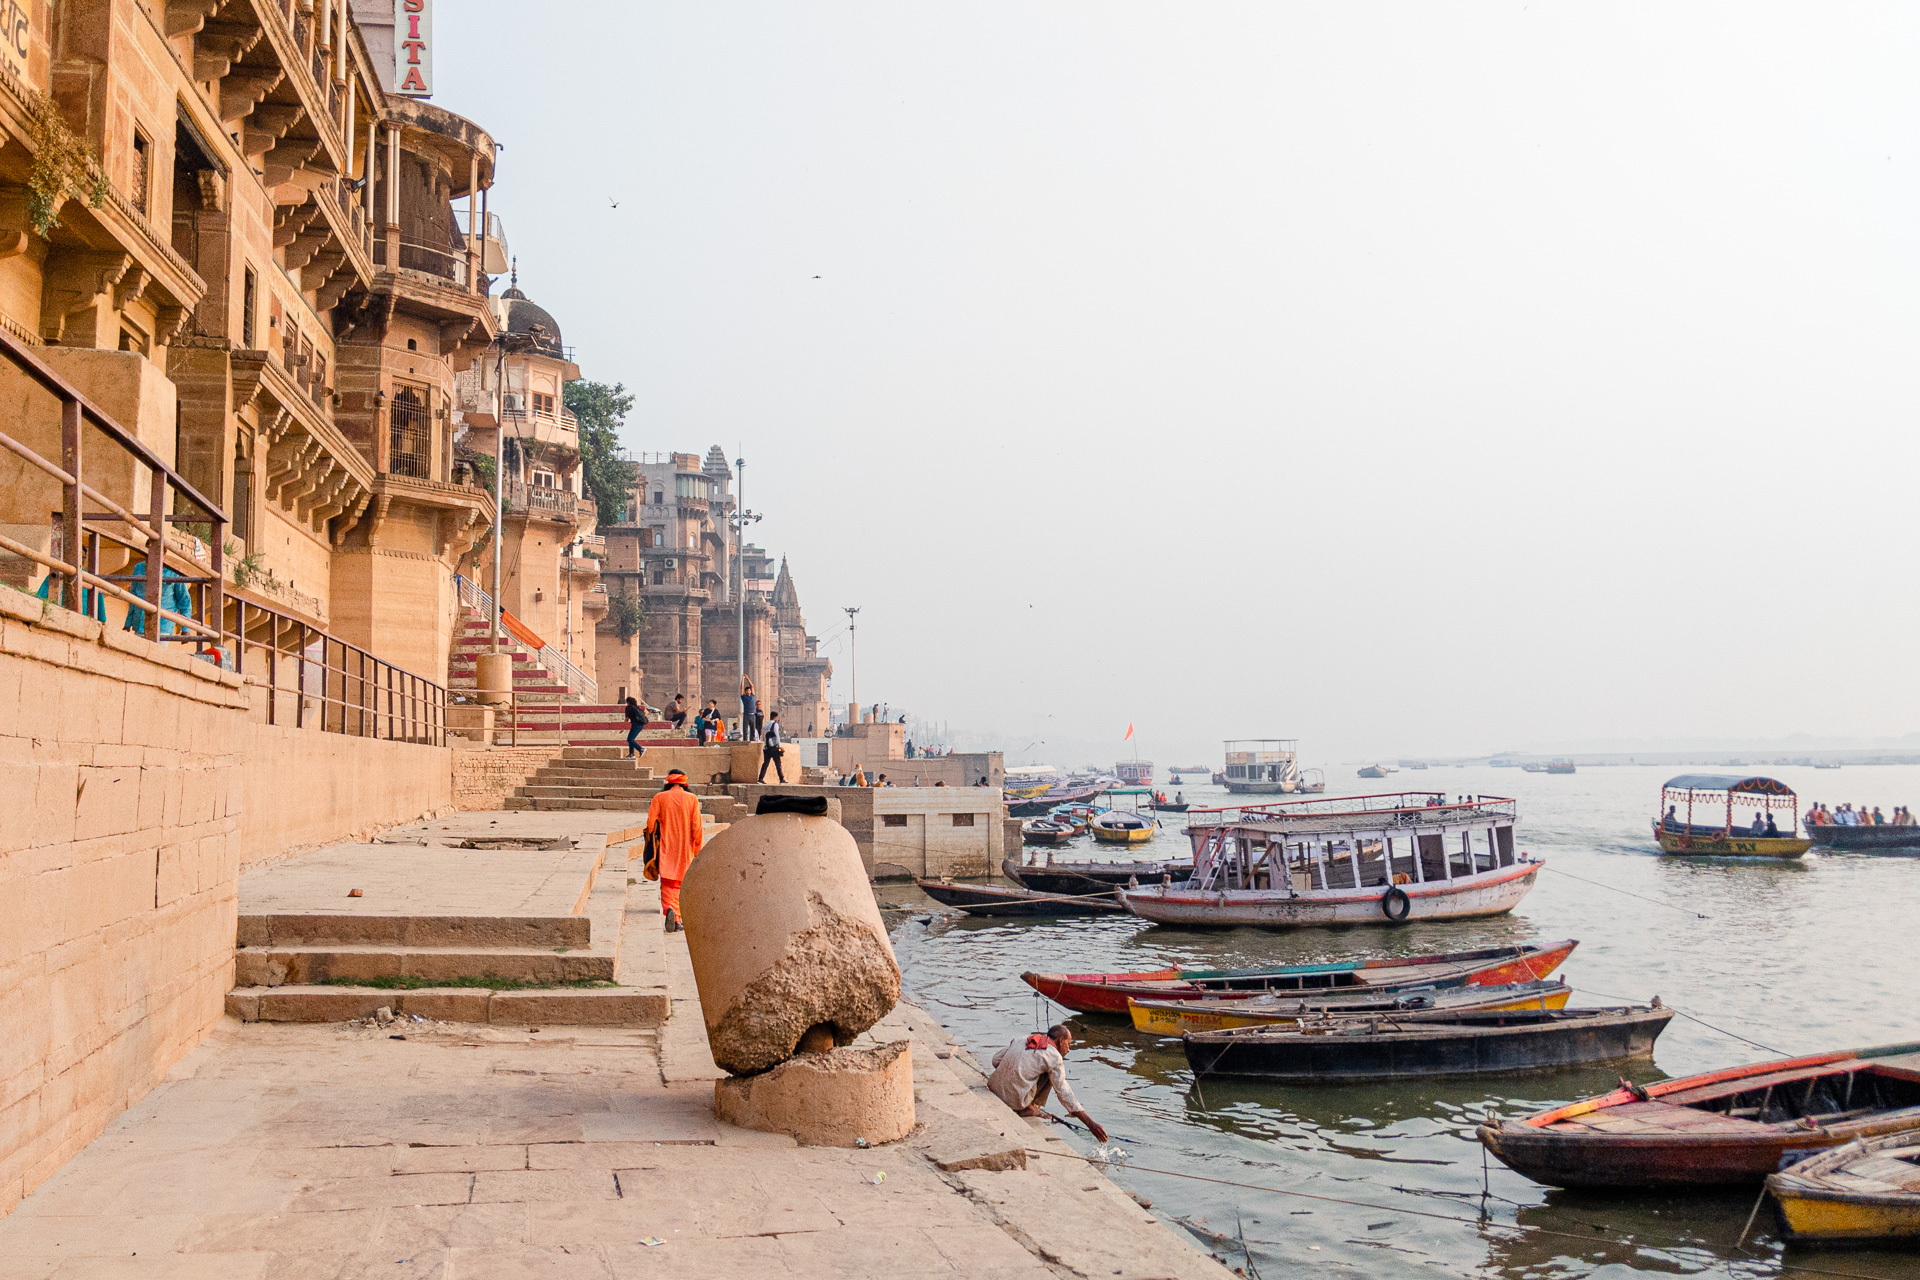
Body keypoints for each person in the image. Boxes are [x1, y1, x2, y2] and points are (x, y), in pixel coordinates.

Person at [988, 1025, 1107, 1144]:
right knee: (1052, 1075)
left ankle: (1024, 1101)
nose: (1069, 1049)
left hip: (994, 1089)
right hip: (1015, 1101)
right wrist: (1090, 1123)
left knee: (1040, 1068)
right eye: (1068, 1043)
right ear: (1061, 1041)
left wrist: (1013, 1073)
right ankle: (1028, 1107)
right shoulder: (1054, 1057)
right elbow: (1064, 1093)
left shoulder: (1024, 1038)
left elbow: (996, 1060)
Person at [645, 769, 705, 933]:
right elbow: (697, 828)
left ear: (668, 783)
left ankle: (671, 910)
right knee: (681, 883)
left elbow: (650, 824)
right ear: (685, 784)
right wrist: (698, 849)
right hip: (685, 849)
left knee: (667, 882)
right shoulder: (692, 799)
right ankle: (677, 917)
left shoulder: (660, 797)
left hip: (666, 846)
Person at [758, 711, 786, 782]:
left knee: (765, 764)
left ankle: (760, 778)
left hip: (766, 747)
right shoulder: (775, 725)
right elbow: (777, 735)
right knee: (778, 764)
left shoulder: (764, 725)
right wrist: (780, 746)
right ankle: (781, 779)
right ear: (775, 717)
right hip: (773, 747)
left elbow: (763, 736)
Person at [740, 678, 759, 743]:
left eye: (749, 690)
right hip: (746, 714)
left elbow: (752, 686)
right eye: (747, 690)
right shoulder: (743, 697)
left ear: (750, 691)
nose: (748, 691)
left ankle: (752, 740)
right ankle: (745, 740)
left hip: (753, 714)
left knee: (752, 729)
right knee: (745, 728)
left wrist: (747, 679)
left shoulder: (753, 696)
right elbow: (742, 688)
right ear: (745, 692)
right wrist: (742, 679)